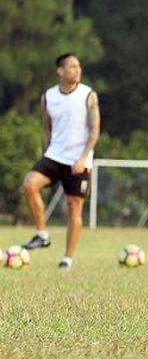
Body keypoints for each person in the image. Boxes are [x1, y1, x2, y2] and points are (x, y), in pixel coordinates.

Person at [22, 54, 100, 270]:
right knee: (30, 184)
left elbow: (95, 130)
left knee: (73, 207)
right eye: (73, 67)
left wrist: (83, 158)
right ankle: (42, 234)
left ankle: (67, 259)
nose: (78, 70)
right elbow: (46, 128)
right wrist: (45, 153)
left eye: (79, 66)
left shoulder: (88, 95)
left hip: (78, 159)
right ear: (60, 71)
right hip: (54, 156)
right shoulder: (48, 96)